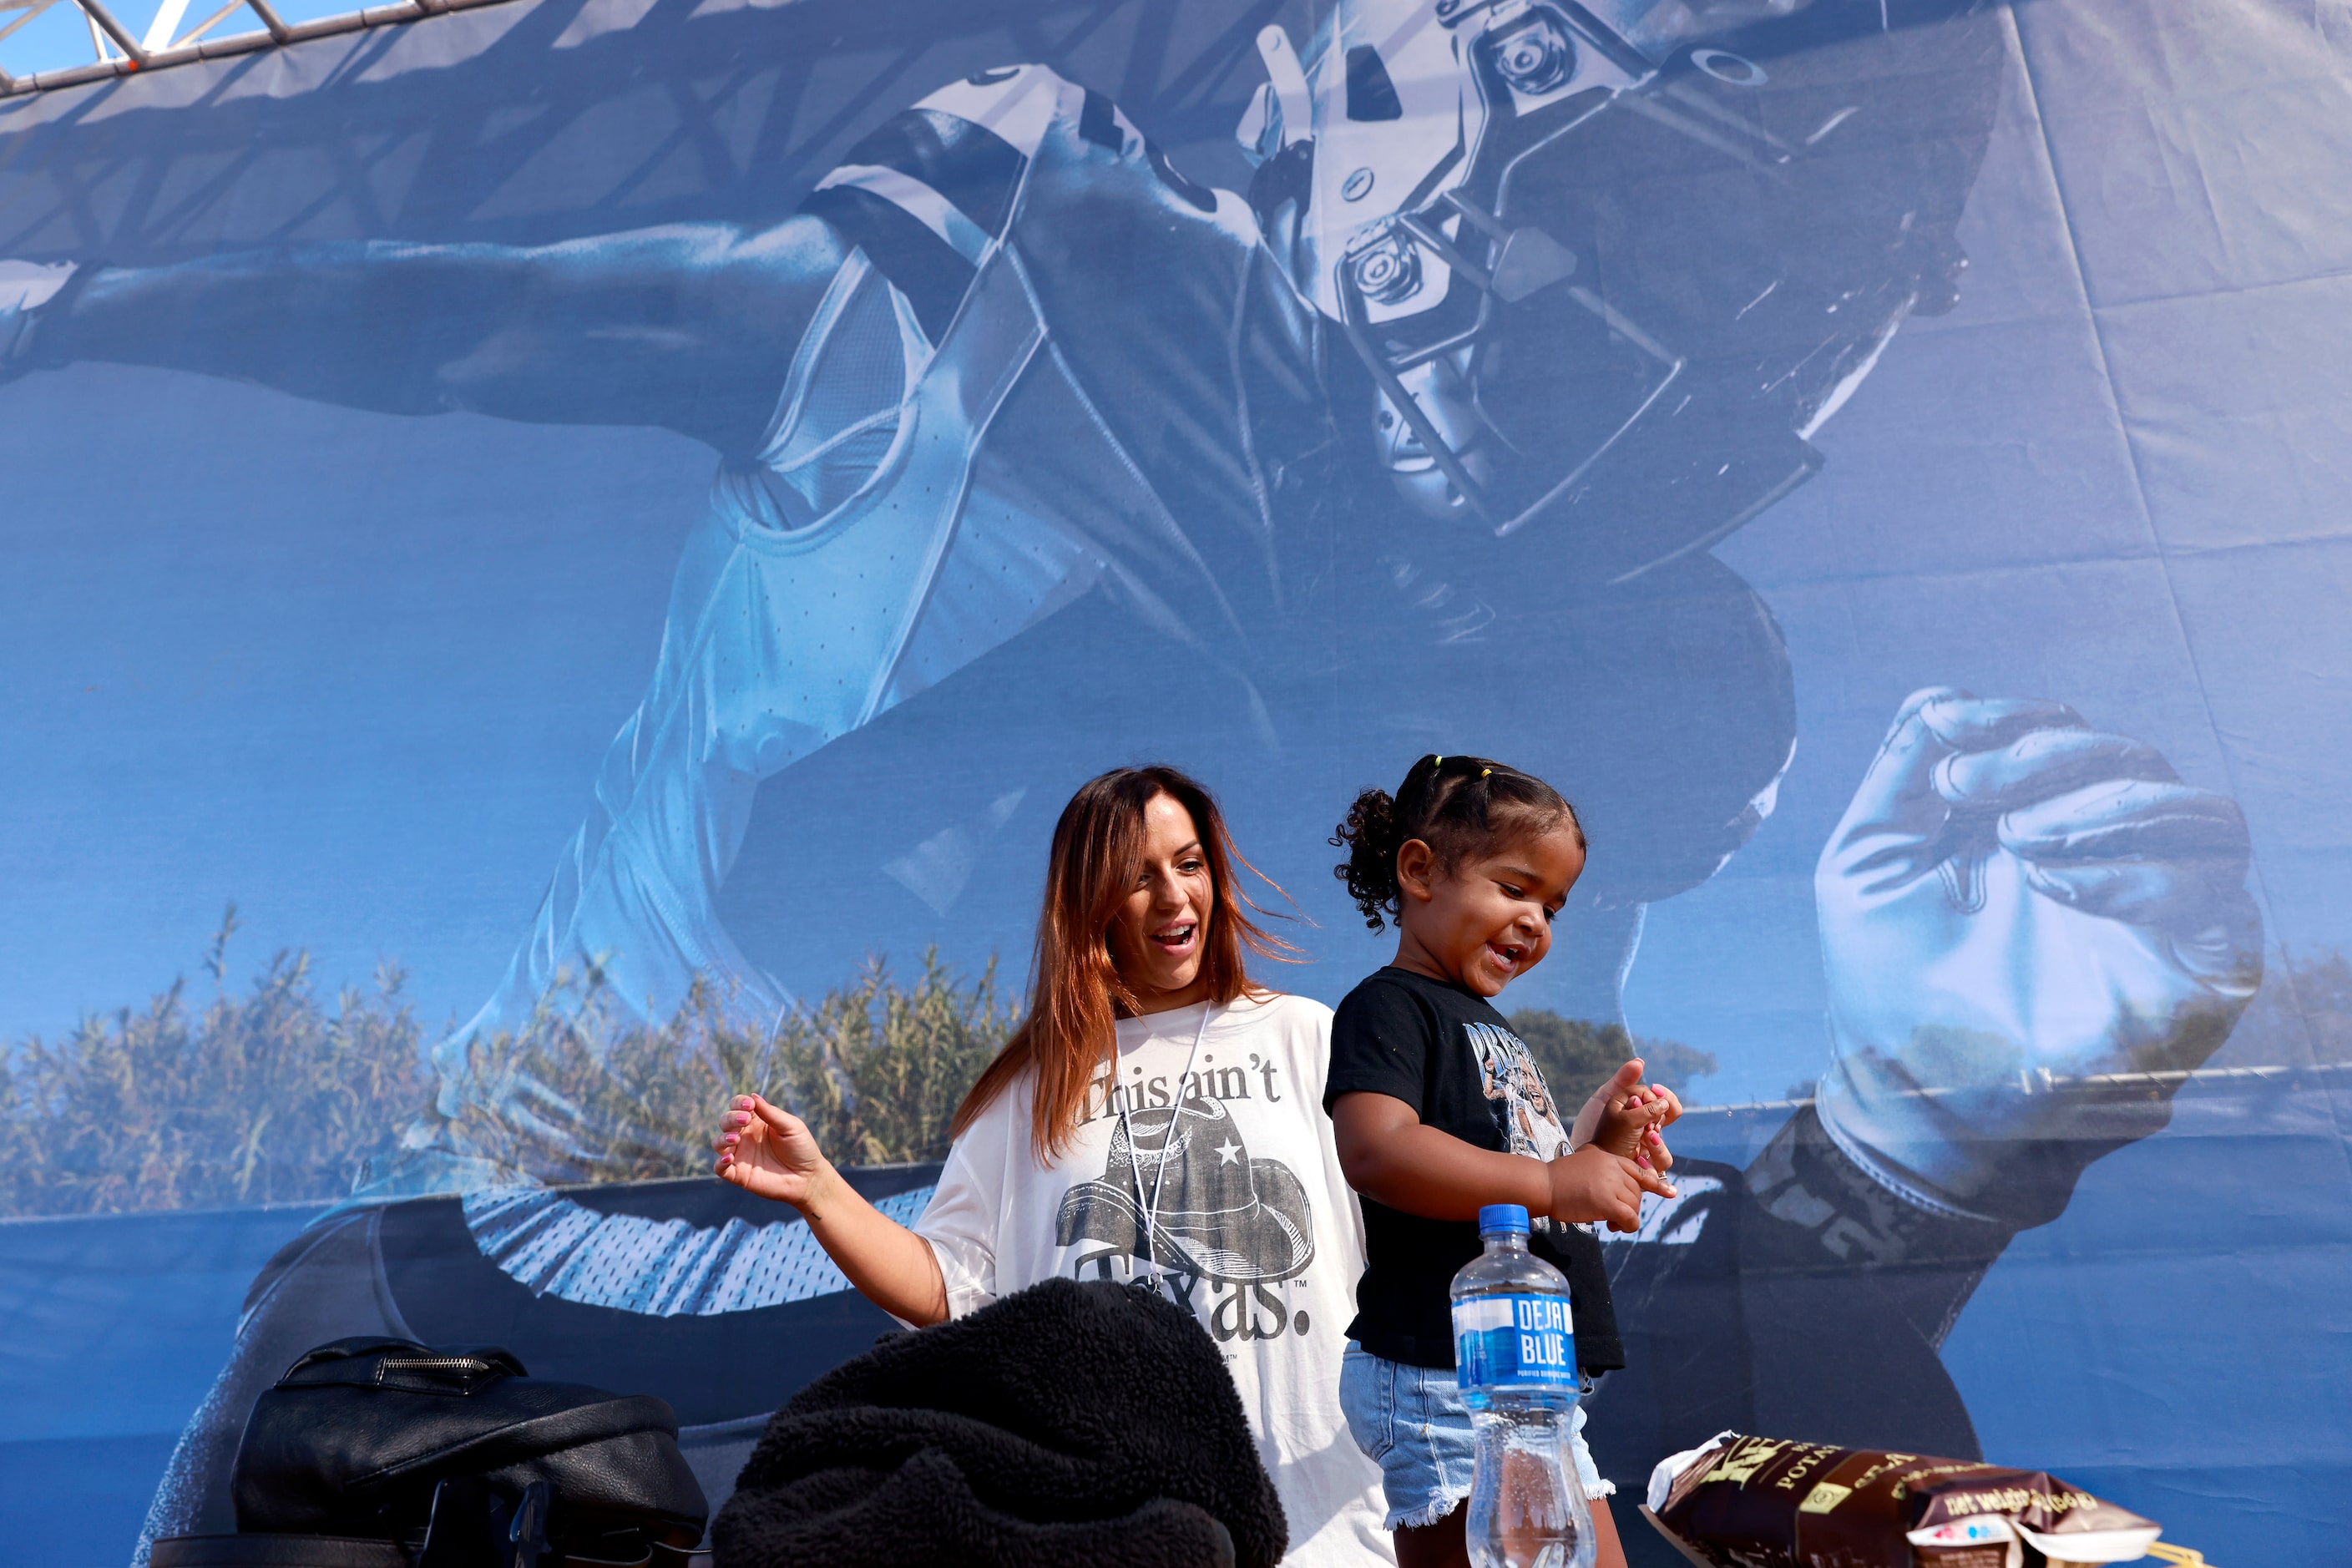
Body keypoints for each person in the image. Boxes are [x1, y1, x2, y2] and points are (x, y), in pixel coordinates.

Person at [715, 764, 1392, 1565]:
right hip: (1117, 1538)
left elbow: (1416, 1267)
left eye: (1189, 864)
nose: (1175, 897)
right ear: (1090, 902)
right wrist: (818, 1189)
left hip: (1333, 1533)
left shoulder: (1309, 1036)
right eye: (1138, 878)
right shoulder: (1031, 1087)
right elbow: (951, 1290)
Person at [1319, 754, 1679, 1568]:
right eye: (1515, 889)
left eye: (1552, 906)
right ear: (1419, 871)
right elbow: (1376, 1147)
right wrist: (1557, 1179)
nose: (1537, 923)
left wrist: (1606, 1147)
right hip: (1447, 1374)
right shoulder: (1390, 1007)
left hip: (1527, 1375)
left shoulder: (1485, 1026)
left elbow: (1524, 1179)